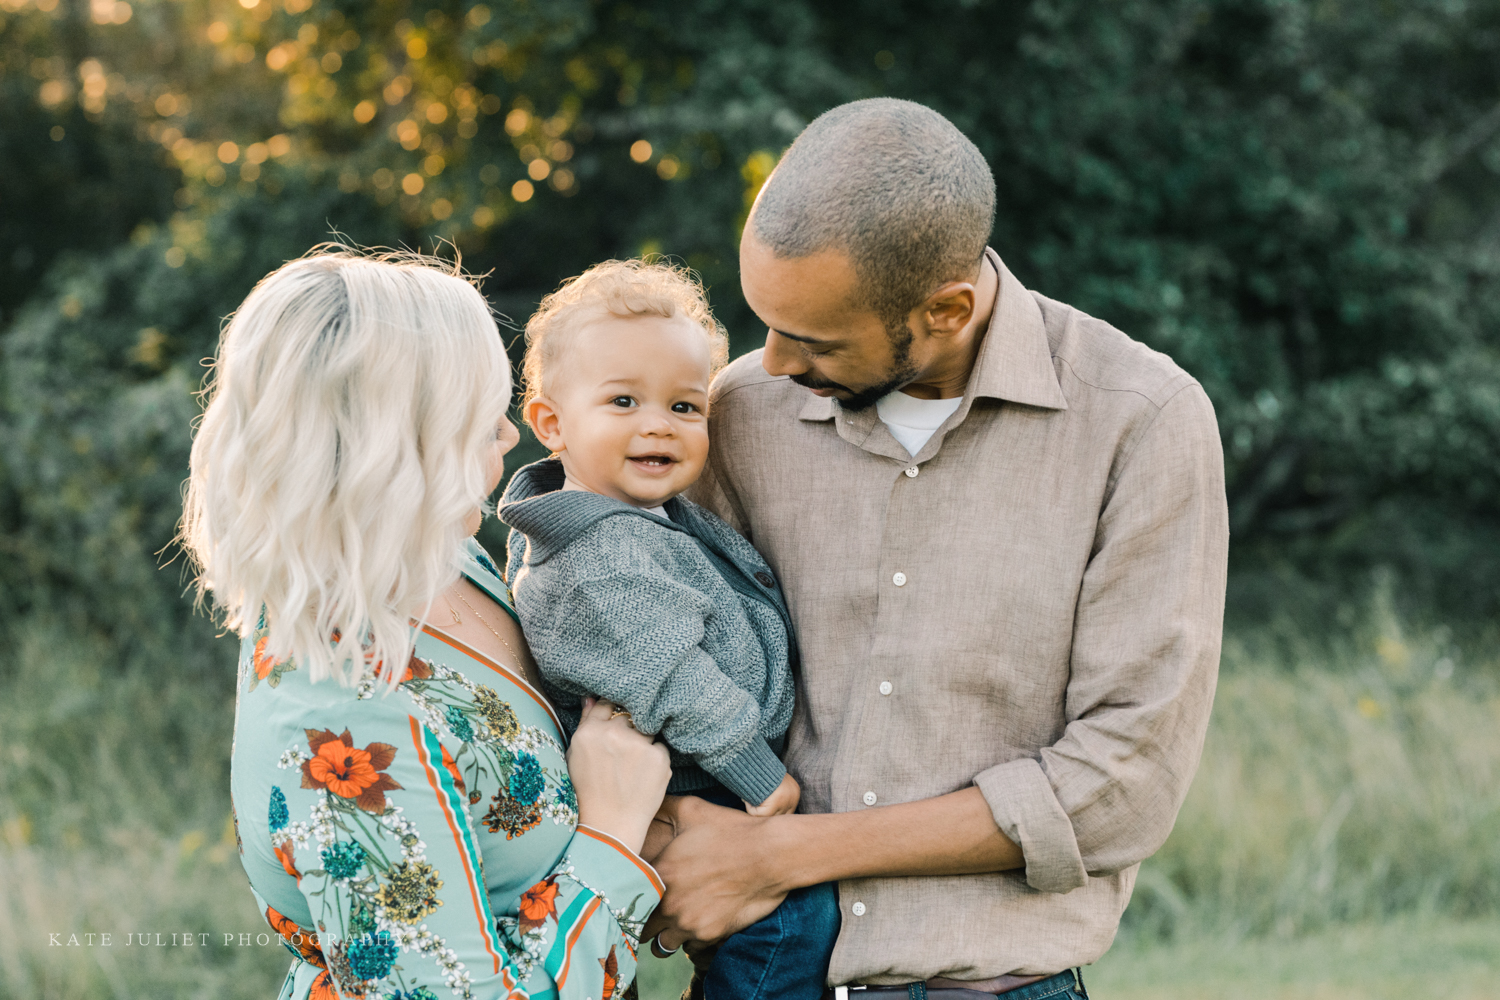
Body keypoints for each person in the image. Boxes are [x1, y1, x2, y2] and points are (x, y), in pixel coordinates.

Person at [644, 98, 1230, 1000]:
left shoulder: (1141, 421)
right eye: (765, 320)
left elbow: (1124, 783)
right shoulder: (736, 417)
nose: (773, 362)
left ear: (947, 309)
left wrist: (784, 855)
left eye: (813, 339)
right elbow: (660, 656)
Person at [180, 247, 671, 1000]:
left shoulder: (444, 560)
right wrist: (611, 840)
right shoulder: (338, 715)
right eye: (477, 414)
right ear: (394, 440)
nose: (510, 435)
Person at [498, 259, 840, 1000]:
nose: (658, 423)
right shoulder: (595, 556)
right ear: (552, 423)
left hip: (711, 771)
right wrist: (760, 777)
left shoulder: (644, 519)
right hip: (704, 778)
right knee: (791, 922)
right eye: (623, 401)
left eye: (686, 408)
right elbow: (672, 677)